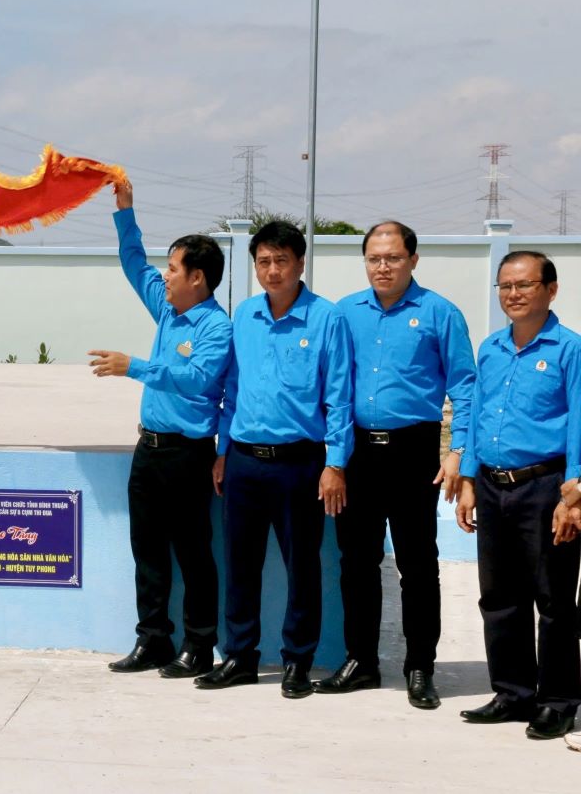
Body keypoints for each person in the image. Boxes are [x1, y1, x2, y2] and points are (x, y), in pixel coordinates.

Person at [315, 221, 475, 709]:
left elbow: (465, 388)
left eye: (393, 258)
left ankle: (420, 666)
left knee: (418, 565)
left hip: (414, 452)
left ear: (413, 260)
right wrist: (335, 460)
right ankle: (361, 660)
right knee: (356, 564)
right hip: (358, 453)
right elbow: (336, 393)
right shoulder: (345, 313)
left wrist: (458, 453)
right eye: (374, 258)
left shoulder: (439, 313)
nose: (383, 266)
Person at [197, 220, 353, 699]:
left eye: (281, 260)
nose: (272, 270)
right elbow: (233, 389)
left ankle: (297, 662)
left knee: (302, 566)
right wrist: (223, 451)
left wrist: (335, 464)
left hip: (299, 464)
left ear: (300, 263)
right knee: (239, 563)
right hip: (244, 460)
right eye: (263, 261)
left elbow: (340, 398)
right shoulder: (244, 316)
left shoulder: (327, 319)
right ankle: (240, 657)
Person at [88, 180, 231, 678]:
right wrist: (126, 211)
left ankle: (199, 645)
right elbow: (133, 263)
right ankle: (152, 640)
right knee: (147, 551)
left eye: (173, 269)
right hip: (147, 451)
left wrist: (135, 367)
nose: (165, 276)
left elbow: (198, 381)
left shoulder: (218, 328)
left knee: (193, 553)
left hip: (189, 454)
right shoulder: (168, 309)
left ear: (198, 277)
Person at [455, 250, 581, 740]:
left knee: (552, 600)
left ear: (551, 290)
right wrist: (467, 480)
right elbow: (476, 413)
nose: (513, 294)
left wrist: (572, 498)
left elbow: (578, 425)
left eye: (524, 285)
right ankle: (512, 692)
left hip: (547, 485)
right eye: (505, 286)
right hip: (492, 484)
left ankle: (558, 699)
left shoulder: (569, 349)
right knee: (499, 596)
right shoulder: (491, 348)